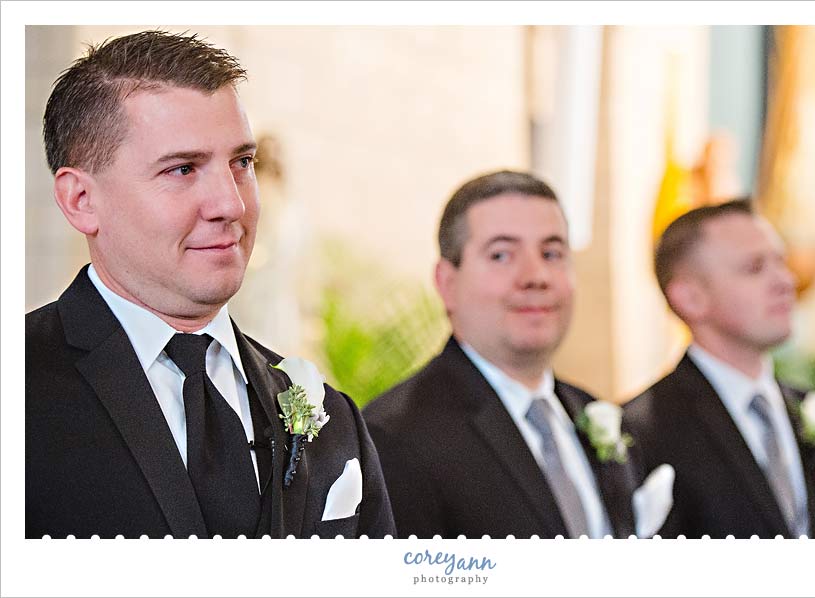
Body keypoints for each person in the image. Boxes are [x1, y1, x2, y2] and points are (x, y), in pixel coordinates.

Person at [26, 30, 394, 539]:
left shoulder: (332, 417)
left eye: (242, 163)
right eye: (182, 169)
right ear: (82, 200)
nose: (232, 205)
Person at [363, 170, 643, 539]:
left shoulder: (593, 413)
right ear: (447, 283)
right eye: (501, 255)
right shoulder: (395, 437)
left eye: (551, 253)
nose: (536, 275)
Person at [623, 200, 815, 538]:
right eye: (755, 267)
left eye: (781, 263)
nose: (786, 281)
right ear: (691, 297)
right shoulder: (640, 433)